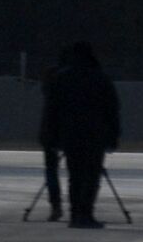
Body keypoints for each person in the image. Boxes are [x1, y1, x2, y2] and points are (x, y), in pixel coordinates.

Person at [41, 40, 120, 229]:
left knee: (75, 175)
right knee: (91, 176)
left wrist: (51, 136)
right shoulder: (100, 78)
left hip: (70, 134)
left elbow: (52, 110)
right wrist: (113, 135)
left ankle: (75, 214)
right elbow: (112, 109)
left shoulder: (61, 78)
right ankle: (86, 213)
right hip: (95, 134)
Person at [36, 46, 69, 221]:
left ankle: (56, 205)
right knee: (78, 169)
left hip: (50, 131)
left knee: (51, 170)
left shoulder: (50, 77)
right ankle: (79, 205)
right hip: (69, 129)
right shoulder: (72, 78)